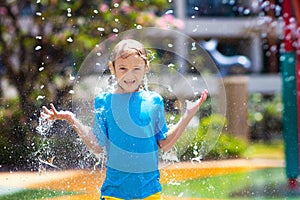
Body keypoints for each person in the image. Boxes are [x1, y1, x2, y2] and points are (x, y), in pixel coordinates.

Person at [41, 39, 208, 200]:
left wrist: (187, 116)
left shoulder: (154, 101)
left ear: (146, 68)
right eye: (122, 68)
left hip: (150, 193)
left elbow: (164, 144)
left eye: (136, 68)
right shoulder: (104, 101)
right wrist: (72, 120)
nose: (130, 75)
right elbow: (98, 146)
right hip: (114, 193)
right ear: (112, 68)